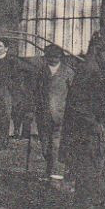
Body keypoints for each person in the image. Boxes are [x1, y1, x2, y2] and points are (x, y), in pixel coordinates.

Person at [62, 41, 105, 209]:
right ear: (98, 52)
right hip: (86, 129)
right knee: (88, 167)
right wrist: (93, 123)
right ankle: (84, 207)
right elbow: (77, 103)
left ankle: (100, 203)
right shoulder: (88, 71)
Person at [35, 44, 76, 179]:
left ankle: (55, 172)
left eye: (56, 57)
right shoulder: (41, 72)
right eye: (50, 57)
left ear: (60, 57)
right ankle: (49, 169)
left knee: (56, 144)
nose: (53, 60)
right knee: (45, 145)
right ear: (46, 57)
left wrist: (71, 112)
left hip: (61, 114)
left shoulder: (68, 72)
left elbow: (73, 95)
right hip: (43, 114)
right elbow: (35, 92)